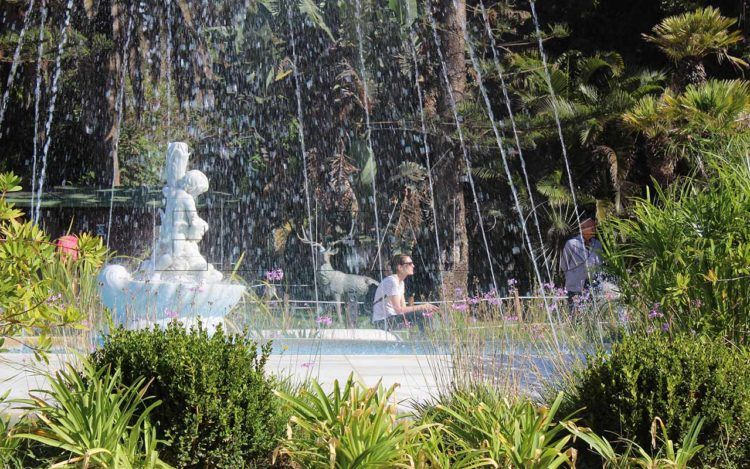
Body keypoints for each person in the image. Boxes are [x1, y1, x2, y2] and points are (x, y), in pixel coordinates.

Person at [372, 254, 439, 330]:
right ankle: (424, 337)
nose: (413, 266)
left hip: (392, 319)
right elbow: (398, 310)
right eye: (410, 264)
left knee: (425, 314)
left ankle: (427, 336)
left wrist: (423, 308)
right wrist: (422, 306)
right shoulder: (392, 281)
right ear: (400, 267)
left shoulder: (401, 283)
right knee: (421, 314)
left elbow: (403, 309)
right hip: (382, 322)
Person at [560, 218, 602, 309]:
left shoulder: (597, 244)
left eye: (594, 226)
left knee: (593, 313)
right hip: (575, 287)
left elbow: (600, 264)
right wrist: (574, 275)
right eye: (590, 226)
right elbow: (564, 265)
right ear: (582, 228)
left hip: (593, 287)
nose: (594, 228)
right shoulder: (571, 244)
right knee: (575, 314)